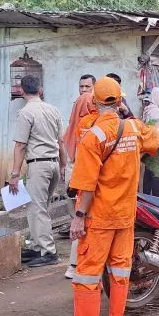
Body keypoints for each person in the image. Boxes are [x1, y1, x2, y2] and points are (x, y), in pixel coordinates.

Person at [65, 76, 159, 316]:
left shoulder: (93, 136)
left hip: (99, 216)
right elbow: (155, 139)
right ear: (120, 101)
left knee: (87, 273)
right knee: (120, 269)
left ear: (94, 102)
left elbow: (86, 183)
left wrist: (78, 217)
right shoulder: (133, 127)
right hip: (126, 214)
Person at [10, 75, 68, 267]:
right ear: (40, 90)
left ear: (21, 91)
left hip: (39, 165)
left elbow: (20, 146)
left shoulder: (25, 113)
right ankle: (37, 246)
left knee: (37, 208)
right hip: (53, 165)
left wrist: (15, 174)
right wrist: (63, 164)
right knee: (41, 207)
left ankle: (48, 251)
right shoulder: (53, 110)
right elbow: (61, 142)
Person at [63, 92, 98, 279]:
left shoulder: (77, 125)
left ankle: (74, 265)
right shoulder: (89, 125)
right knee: (82, 220)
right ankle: (76, 265)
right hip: (84, 181)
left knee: (79, 220)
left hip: (76, 179)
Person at [140, 86, 159, 196]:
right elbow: (157, 129)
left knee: (149, 173)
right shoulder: (155, 112)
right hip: (155, 146)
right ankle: (156, 198)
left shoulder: (150, 108)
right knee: (156, 174)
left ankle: (147, 195)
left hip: (150, 146)